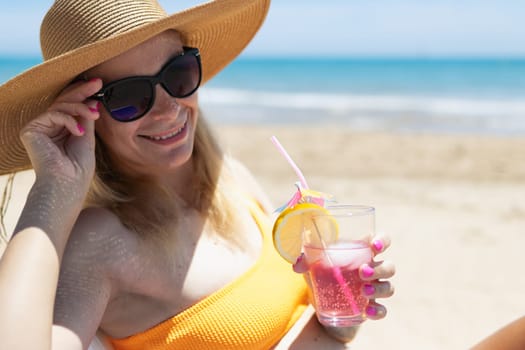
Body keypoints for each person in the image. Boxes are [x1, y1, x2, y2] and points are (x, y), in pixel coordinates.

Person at [0, 0, 395, 349]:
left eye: (178, 74)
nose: (169, 109)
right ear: (85, 116)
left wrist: (341, 302)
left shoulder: (232, 180)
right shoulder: (102, 241)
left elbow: (324, 331)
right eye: (129, 97)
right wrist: (53, 188)